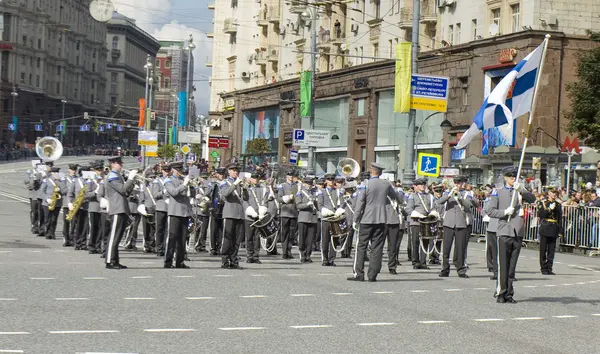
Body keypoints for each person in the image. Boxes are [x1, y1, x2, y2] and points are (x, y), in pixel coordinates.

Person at [486, 167, 536, 303]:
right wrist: (504, 212)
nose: (513, 179)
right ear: (505, 178)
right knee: (503, 265)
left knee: (512, 266)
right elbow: (490, 211)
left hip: (517, 231)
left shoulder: (519, 191)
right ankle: (501, 293)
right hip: (504, 231)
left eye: (515, 176)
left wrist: (522, 190)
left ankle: (509, 293)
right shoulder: (498, 192)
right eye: (511, 176)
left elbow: (533, 199)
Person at [348, 162, 397, 282]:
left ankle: (359, 274)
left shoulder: (366, 184)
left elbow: (360, 203)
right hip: (381, 219)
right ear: (380, 172)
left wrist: (355, 219)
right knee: (377, 248)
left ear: (371, 171)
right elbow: (396, 196)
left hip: (366, 219)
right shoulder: (386, 184)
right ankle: (373, 275)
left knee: (361, 246)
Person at [437, 176, 473, 278]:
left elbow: (469, 206)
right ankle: (445, 269)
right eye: (456, 183)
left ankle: (461, 270)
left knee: (460, 248)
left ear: (464, 184)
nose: (458, 185)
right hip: (449, 223)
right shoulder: (448, 192)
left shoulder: (467, 194)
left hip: (461, 224)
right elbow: (439, 202)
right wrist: (449, 195)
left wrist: (460, 198)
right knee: (446, 248)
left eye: (460, 183)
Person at [105, 156, 137, 269]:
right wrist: (130, 179)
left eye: (120, 163)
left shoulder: (118, 176)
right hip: (117, 208)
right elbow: (123, 189)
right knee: (114, 236)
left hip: (122, 208)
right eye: (118, 163)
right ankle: (109, 261)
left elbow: (126, 193)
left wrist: (132, 183)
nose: (121, 165)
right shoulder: (112, 176)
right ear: (112, 164)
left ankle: (115, 260)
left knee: (117, 237)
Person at [163, 162, 193, 268]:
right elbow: (174, 192)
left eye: (181, 170)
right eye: (178, 170)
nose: (180, 172)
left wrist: (191, 186)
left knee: (182, 238)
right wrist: (184, 185)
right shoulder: (168, 180)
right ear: (173, 170)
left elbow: (188, 196)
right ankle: (168, 261)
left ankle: (180, 262)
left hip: (184, 212)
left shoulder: (182, 180)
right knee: (172, 238)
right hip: (174, 212)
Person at [220, 163, 248, 269]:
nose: (235, 172)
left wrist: (245, 189)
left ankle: (234, 260)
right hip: (229, 213)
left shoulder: (240, 183)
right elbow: (225, 194)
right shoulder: (224, 182)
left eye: (237, 171)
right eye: (233, 170)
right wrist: (235, 184)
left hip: (240, 214)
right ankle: (225, 260)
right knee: (227, 238)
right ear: (229, 171)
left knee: (237, 239)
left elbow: (246, 198)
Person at [405, 178, 436, 270]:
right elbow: (408, 209)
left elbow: (434, 207)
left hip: (427, 222)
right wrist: (416, 214)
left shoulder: (430, 196)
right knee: (415, 242)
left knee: (426, 241)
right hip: (416, 222)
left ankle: (423, 262)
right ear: (417, 186)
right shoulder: (413, 196)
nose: (422, 186)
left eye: (424, 184)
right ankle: (415, 262)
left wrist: (433, 213)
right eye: (420, 185)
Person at [318, 174, 345, 267]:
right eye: (329, 179)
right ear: (325, 181)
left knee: (334, 239)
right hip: (326, 218)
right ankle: (325, 259)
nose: (331, 181)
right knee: (325, 240)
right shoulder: (322, 192)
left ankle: (332, 259)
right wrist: (325, 211)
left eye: (332, 179)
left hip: (335, 219)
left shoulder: (338, 192)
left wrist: (339, 211)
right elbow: (320, 205)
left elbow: (342, 204)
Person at [537, 187, 562, 275]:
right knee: (543, 249)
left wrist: (560, 231)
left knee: (551, 250)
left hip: (554, 228)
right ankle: (543, 268)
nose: (554, 194)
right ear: (549, 193)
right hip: (545, 226)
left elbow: (559, 218)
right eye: (552, 192)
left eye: (555, 193)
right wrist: (549, 210)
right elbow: (541, 215)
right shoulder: (543, 203)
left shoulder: (558, 204)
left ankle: (549, 268)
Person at [243, 173, 266, 263]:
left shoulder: (263, 189)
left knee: (257, 238)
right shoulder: (247, 188)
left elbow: (265, 201)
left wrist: (262, 210)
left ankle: (256, 256)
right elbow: (244, 201)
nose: (256, 179)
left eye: (257, 178)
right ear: (251, 179)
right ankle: (249, 255)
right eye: (254, 178)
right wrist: (250, 210)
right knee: (249, 237)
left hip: (259, 217)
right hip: (249, 216)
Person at [295, 177, 318, 263]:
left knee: (310, 239)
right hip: (303, 218)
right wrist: (307, 204)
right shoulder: (300, 193)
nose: (309, 185)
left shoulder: (314, 193)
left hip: (312, 218)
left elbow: (318, 205)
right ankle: (302, 254)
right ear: (304, 184)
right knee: (302, 238)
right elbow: (298, 205)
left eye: (310, 184)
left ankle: (308, 255)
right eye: (307, 183)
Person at [278, 170, 299, 259]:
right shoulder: (282, 186)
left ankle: (289, 250)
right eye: (289, 175)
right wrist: (286, 199)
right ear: (287, 176)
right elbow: (279, 198)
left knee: (291, 233)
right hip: (285, 212)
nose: (291, 177)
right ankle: (284, 251)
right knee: (284, 233)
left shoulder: (297, 186)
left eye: (292, 175)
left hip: (294, 212)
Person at [152, 165, 171, 257]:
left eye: (168, 170)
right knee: (160, 229)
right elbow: (155, 194)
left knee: (169, 229)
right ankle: (159, 249)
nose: (167, 172)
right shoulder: (157, 181)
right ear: (162, 171)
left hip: (170, 207)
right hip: (161, 207)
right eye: (165, 170)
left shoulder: (171, 180)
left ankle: (166, 248)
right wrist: (163, 192)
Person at [40, 167, 64, 239]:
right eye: (55, 172)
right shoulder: (46, 180)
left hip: (57, 202)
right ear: (52, 173)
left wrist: (60, 189)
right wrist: (47, 198)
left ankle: (52, 233)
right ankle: (47, 233)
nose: (57, 174)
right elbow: (42, 191)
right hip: (47, 202)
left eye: (57, 172)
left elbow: (65, 190)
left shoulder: (60, 181)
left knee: (54, 219)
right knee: (48, 218)